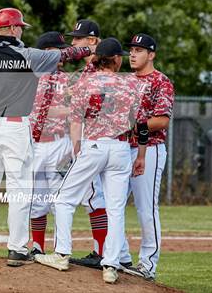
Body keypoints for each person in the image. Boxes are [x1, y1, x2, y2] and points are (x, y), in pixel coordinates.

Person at [0, 7, 92, 267]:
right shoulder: (26, 55)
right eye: (21, 28)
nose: (22, 32)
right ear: (14, 28)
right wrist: (88, 49)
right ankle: (17, 249)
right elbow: (66, 54)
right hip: (15, 126)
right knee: (19, 189)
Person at [35, 38, 148, 284]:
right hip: (120, 148)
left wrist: (77, 149)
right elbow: (141, 125)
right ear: (117, 59)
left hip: (94, 145)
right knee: (115, 209)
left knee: (64, 199)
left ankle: (62, 253)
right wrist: (141, 155)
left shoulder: (85, 83)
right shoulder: (131, 84)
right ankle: (110, 265)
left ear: (98, 59)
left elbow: (76, 121)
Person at [120, 33, 174, 281]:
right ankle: (120, 258)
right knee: (111, 205)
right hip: (121, 150)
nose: (132, 53)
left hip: (149, 149)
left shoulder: (161, 81)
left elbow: (162, 120)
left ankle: (147, 265)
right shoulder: (124, 81)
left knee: (145, 210)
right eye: (131, 49)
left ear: (151, 55)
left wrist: (130, 126)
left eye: (139, 50)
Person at [66, 19, 110, 269]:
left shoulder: (99, 69)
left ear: (92, 41)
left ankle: (101, 252)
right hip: (99, 140)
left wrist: (79, 141)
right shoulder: (89, 69)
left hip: (95, 139)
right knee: (99, 197)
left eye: (78, 38)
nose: (73, 43)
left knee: (94, 197)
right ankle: (109, 252)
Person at [29, 31, 73, 255]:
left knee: (59, 200)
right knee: (37, 200)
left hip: (59, 142)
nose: (63, 54)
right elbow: (37, 111)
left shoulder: (66, 79)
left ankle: (61, 250)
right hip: (36, 144)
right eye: (58, 50)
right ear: (46, 52)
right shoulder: (31, 76)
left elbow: (74, 111)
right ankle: (37, 247)